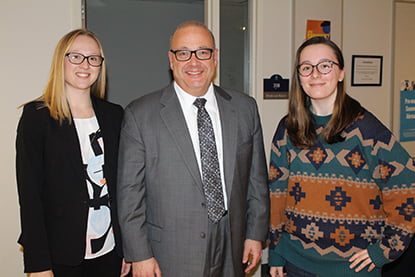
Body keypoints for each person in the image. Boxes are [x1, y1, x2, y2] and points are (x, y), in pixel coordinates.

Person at [117, 21, 269, 277]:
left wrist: (255, 234)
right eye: (184, 53)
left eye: (203, 52)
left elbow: (257, 179)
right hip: (171, 251)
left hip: (232, 243)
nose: (194, 62)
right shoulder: (140, 114)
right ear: (171, 59)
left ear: (215, 57)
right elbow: (129, 193)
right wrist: (139, 253)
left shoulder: (245, 108)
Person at [268, 36, 415, 277]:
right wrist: (276, 251)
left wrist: (385, 250)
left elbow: (407, 188)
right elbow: (277, 194)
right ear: (299, 76)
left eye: (325, 66)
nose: (315, 74)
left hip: (353, 268)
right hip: (296, 263)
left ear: (341, 73)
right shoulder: (288, 129)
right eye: (306, 67)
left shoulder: (368, 131)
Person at [16, 29, 129, 277]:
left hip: (110, 252)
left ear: (100, 65)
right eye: (76, 56)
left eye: (93, 58)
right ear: (61, 61)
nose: (85, 65)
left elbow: (123, 189)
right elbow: (30, 196)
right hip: (61, 256)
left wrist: (126, 248)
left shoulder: (114, 115)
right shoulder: (37, 117)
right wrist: (39, 265)